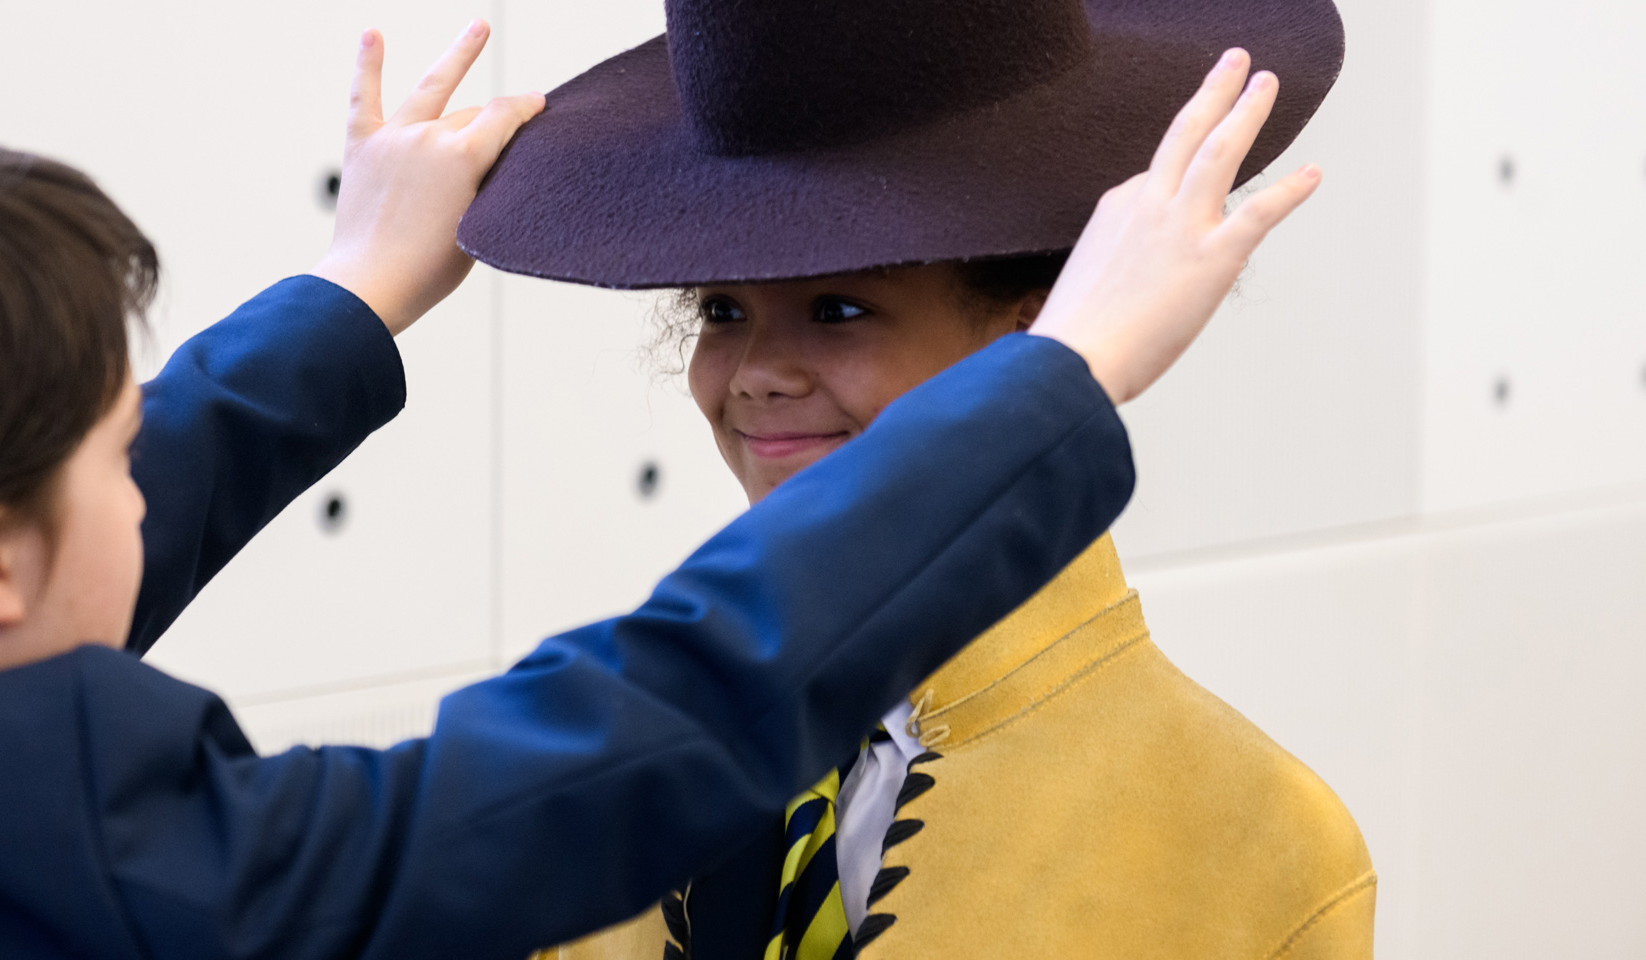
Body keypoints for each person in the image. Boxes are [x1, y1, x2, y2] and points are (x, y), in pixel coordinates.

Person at [0, 17, 1270, 960]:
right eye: (113, 456)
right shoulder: (123, 868)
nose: (151, 490)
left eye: (842, 312)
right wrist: (1056, 387)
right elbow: (655, 718)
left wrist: (350, 295)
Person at [462, 0, 1373, 957]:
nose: (759, 372)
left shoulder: (1254, 841)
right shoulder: (612, 764)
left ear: (1038, 341)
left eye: (840, 308)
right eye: (723, 309)